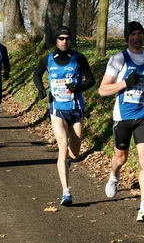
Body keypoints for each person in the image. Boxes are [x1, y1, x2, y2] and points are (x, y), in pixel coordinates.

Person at [98, 21, 144, 221]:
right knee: (121, 158)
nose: (137, 37)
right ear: (127, 38)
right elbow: (103, 89)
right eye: (133, 34)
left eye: (140, 33)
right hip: (123, 116)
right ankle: (114, 176)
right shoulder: (118, 60)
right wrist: (124, 83)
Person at [33, 26, 96, 206]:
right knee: (63, 145)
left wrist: (79, 87)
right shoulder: (48, 59)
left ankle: (67, 161)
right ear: (56, 40)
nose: (64, 41)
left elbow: (91, 80)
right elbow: (37, 74)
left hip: (76, 108)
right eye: (61, 38)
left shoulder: (79, 58)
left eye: (67, 38)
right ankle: (66, 192)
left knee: (74, 153)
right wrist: (40, 90)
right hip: (57, 108)